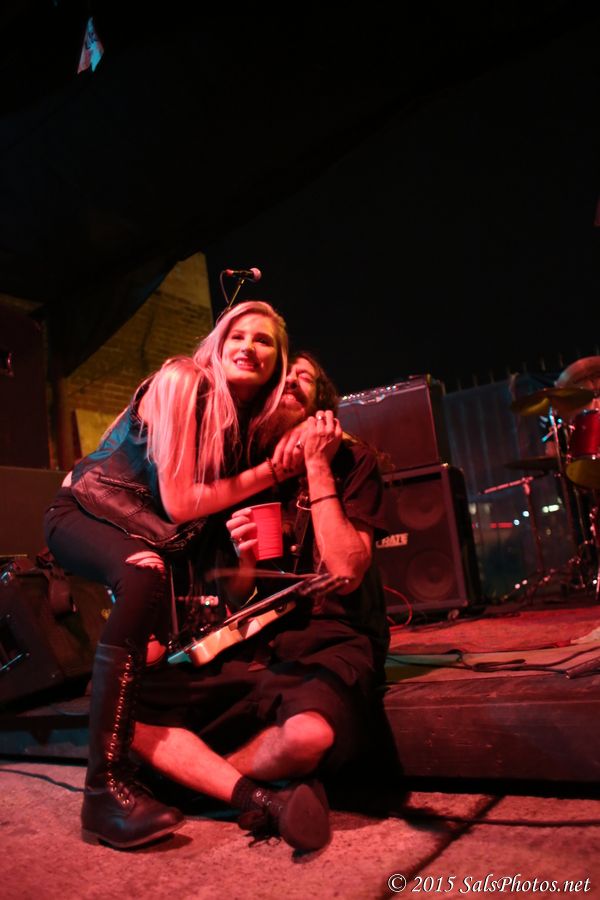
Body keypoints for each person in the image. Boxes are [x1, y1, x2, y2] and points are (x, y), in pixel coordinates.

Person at [43, 301, 314, 850]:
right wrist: (269, 472)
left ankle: (145, 779)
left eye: (264, 340)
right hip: (83, 512)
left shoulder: (239, 425)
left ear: (278, 362)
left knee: (160, 638)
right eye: (237, 335)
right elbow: (181, 502)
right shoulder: (183, 380)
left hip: (146, 540)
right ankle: (102, 792)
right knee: (140, 576)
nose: (248, 347)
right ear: (217, 343)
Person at [131, 350, 391, 852]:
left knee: (307, 738)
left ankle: (195, 786)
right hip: (260, 642)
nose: (291, 381)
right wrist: (245, 561)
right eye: (283, 376)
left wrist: (317, 464)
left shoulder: (352, 462)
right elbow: (238, 596)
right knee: (125, 708)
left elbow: (345, 572)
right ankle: (265, 793)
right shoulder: (253, 474)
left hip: (334, 639)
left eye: (304, 378)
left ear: (321, 402)